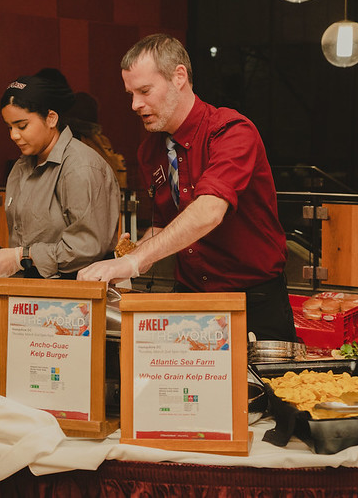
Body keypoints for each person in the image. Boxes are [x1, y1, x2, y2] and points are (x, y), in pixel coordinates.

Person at [78, 34, 296, 342]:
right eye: (131, 94)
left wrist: (134, 262)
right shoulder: (150, 151)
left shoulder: (231, 132)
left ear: (179, 76)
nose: (135, 104)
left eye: (144, 91)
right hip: (190, 295)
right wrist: (133, 254)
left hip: (253, 300)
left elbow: (209, 210)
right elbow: (165, 225)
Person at [0, 75, 120, 283]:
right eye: (9, 127)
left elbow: (86, 248)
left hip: (77, 288)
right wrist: (8, 261)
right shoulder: (21, 166)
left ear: (51, 118)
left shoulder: (80, 167)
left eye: (22, 126)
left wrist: (22, 257)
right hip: (33, 284)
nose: (13, 135)